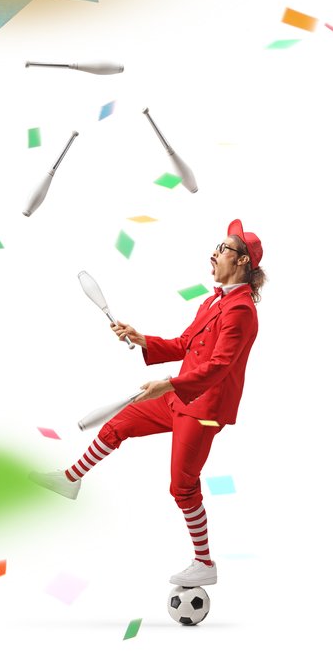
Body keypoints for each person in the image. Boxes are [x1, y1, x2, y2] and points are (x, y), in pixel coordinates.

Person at [34, 220, 265, 587]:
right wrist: (141, 339)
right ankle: (70, 480)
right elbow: (184, 343)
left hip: (203, 409)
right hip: (178, 395)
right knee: (118, 424)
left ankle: (204, 562)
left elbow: (219, 367)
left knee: (182, 487)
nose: (214, 254)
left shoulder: (240, 311)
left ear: (241, 262)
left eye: (222, 250)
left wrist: (168, 384)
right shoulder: (212, 301)